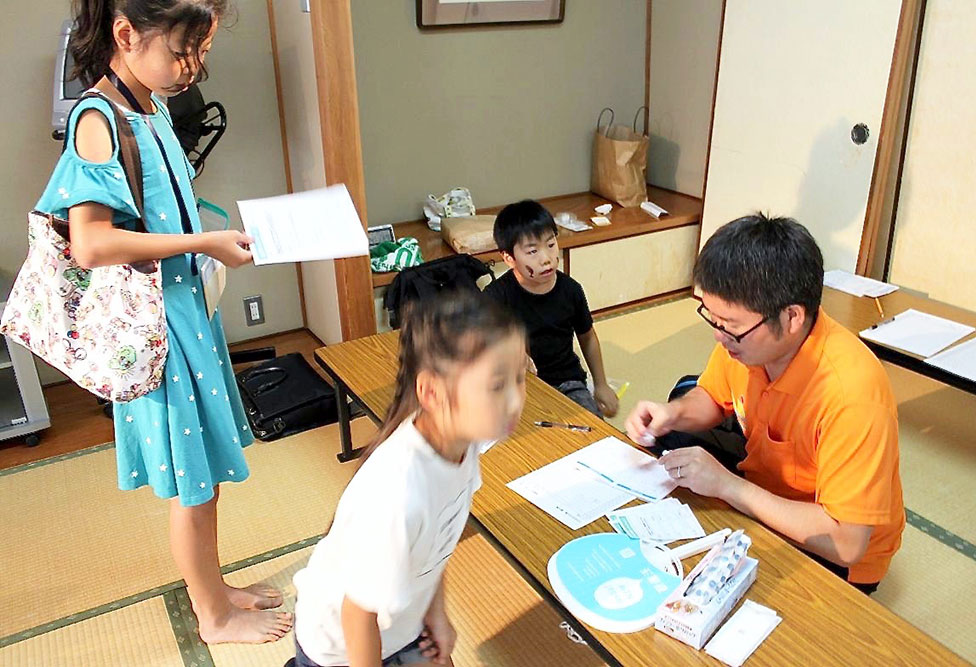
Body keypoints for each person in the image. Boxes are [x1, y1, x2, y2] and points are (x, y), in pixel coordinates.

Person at [37, 0, 291, 643]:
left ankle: (215, 588)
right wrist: (204, 243)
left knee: (204, 471)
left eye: (202, 53)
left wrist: (210, 241)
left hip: (185, 314)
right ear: (125, 34)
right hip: (158, 327)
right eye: (182, 52)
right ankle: (213, 615)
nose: (193, 68)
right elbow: (91, 242)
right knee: (192, 482)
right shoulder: (99, 117)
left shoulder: (148, 105)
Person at [625, 214, 904, 593]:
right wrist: (671, 415)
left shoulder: (852, 396)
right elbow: (713, 397)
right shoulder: (746, 343)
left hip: (832, 545)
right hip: (764, 487)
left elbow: (847, 544)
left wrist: (727, 486)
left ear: (791, 317)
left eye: (731, 325)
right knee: (674, 426)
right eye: (712, 318)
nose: (719, 336)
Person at [291, 292, 528, 667]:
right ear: (432, 392)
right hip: (342, 648)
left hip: (400, 627)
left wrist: (436, 615)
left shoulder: (464, 443)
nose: (516, 401)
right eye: (497, 385)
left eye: (520, 377)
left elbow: (437, 540)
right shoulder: (397, 495)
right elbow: (357, 615)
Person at [484, 200, 618, 418]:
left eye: (550, 244)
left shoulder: (571, 290)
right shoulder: (496, 297)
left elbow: (588, 337)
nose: (546, 259)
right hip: (519, 386)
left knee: (593, 426)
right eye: (532, 251)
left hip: (568, 381)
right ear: (509, 258)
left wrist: (601, 384)